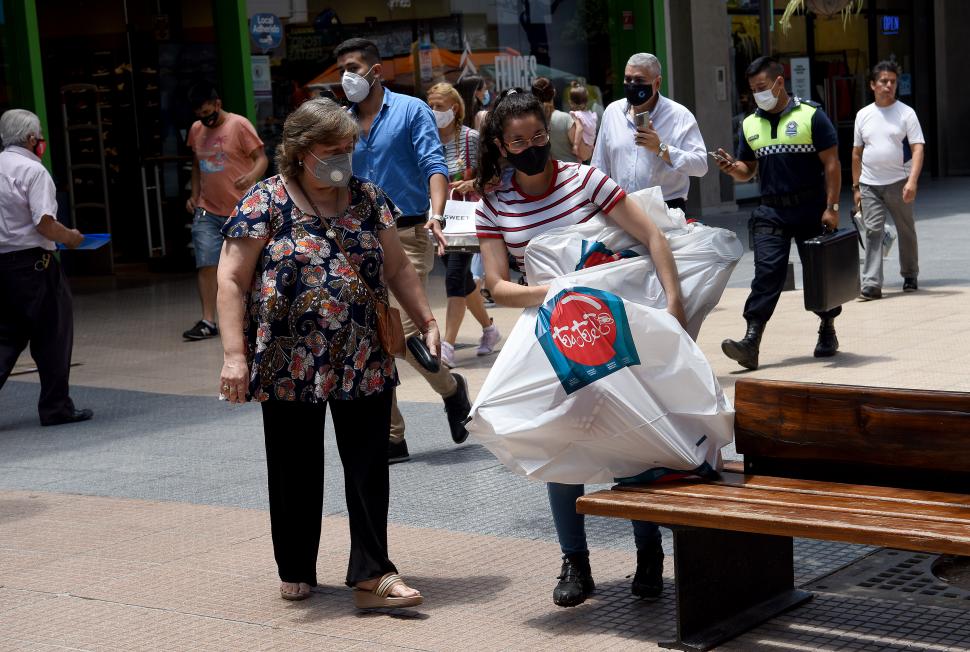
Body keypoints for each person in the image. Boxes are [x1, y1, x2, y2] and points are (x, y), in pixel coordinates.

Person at [217, 98, 435, 608]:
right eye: (331, 150)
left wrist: (425, 319)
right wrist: (234, 356)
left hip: (363, 354)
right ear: (299, 151)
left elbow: (399, 268)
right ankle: (295, 566)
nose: (342, 158)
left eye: (348, 148)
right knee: (294, 465)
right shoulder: (263, 202)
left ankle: (372, 571)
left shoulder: (367, 198)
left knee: (368, 466)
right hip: (288, 358)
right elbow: (230, 279)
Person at [475, 89, 687, 607]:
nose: (532, 147)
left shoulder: (585, 179)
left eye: (539, 136)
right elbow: (499, 288)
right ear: (502, 146)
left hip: (612, 327)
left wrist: (674, 305)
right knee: (560, 444)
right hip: (550, 336)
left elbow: (653, 237)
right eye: (519, 140)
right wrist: (565, 290)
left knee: (632, 436)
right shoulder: (493, 206)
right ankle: (575, 562)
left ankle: (648, 551)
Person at [334, 37, 471, 464]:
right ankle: (393, 437)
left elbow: (435, 164)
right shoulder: (340, 121)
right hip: (356, 238)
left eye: (354, 67)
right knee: (372, 337)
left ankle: (451, 390)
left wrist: (438, 213)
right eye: (342, 69)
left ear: (377, 71)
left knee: (404, 331)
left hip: (408, 231)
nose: (347, 77)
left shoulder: (412, 111)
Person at [715, 56, 843, 370]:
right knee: (766, 274)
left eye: (762, 87)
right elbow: (748, 170)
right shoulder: (750, 124)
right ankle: (751, 341)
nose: (758, 94)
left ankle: (827, 329)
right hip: (771, 210)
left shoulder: (812, 115)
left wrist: (832, 207)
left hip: (811, 207)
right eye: (752, 89)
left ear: (779, 82)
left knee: (819, 275)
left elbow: (832, 164)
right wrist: (733, 168)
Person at [0, 108, 93, 426]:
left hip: (3, 265)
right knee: (53, 334)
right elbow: (44, 223)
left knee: (6, 337)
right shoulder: (33, 171)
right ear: (31, 139)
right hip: (34, 264)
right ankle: (56, 407)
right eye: (39, 136)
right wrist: (70, 238)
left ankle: (57, 406)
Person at [183, 84, 268, 341]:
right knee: (207, 263)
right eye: (200, 114)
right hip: (207, 209)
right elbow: (197, 166)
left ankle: (255, 314)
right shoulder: (196, 130)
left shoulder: (239, 125)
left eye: (208, 112)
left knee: (248, 266)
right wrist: (194, 195)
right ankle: (208, 320)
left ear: (217, 103)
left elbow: (261, 158)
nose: (205, 118)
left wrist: (251, 177)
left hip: (241, 209)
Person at [425, 82, 501, 368]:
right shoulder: (426, 139)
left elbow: (493, 174)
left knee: (454, 277)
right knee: (465, 281)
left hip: (468, 218)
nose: (434, 112)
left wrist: (471, 183)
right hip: (438, 219)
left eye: (439, 106)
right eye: (430, 106)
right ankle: (490, 329)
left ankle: (448, 345)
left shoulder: (470, 138)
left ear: (454, 108)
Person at [591, 53, 708, 212]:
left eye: (639, 80)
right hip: (623, 209)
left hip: (666, 209)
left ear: (657, 83)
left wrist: (661, 149)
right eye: (628, 79)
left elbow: (700, 166)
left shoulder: (679, 115)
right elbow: (599, 166)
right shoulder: (612, 112)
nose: (632, 85)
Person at [852, 60, 925, 299]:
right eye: (884, 81)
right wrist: (856, 187)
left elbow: (917, 149)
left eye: (892, 81)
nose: (889, 85)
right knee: (873, 231)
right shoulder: (863, 115)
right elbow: (856, 153)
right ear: (873, 85)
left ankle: (910, 273)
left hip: (899, 182)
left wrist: (912, 181)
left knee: (905, 229)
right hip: (870, 183)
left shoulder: (906, 113)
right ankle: (872, 284)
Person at [531, 77, 578, 164]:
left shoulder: (532, 122)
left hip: (548, 174)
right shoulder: (565, 118)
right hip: (571, 172)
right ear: (554, 92)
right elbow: (582, 153)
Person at [567, 81, 598, 162]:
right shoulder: (591, 115)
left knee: (579, 162)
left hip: (582, 145)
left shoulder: (576, 115)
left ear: (571, 102)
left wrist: (576, 146)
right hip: (591, 145)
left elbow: (580, 129)